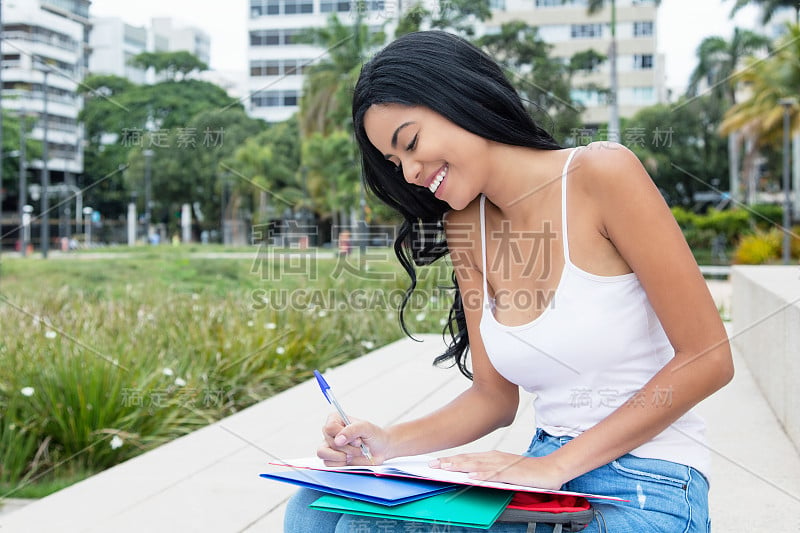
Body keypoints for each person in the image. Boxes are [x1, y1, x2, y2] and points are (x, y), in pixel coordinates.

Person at [284, 31, 733, 533]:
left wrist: (553, 468)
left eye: (410, 143)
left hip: (648, 482)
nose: (410, 172)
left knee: (364, 529)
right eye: (395, 163)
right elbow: (493, 400)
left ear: (460, 97)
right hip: (547, 482)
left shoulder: (601, 174)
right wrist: (385, 443)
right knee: (312, 507)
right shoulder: (465, 227)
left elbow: (709, 358)